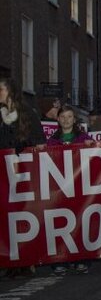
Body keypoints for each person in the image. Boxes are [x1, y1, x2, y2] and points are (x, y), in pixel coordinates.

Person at [0, 77, 46, 278]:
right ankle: (10, 260)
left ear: (11, 91)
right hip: (4, 175)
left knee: (24, 215)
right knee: (6, 216)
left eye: (1, 89)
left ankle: (26, 260)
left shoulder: (28, 114)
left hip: (24, 173)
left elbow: (40, 142)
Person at [47, 105, 94, 275]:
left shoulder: (83, 137)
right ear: (58, 119)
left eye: (69, 117)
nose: (66, 120)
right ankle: (60, 259)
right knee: (60, 223)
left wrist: (91, 145)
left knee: (80, 221)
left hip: (79, 186)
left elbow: (96, 153)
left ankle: (81, 259)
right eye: (63, 117)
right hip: (60, 189)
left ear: (74, 119)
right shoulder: (52, 141)